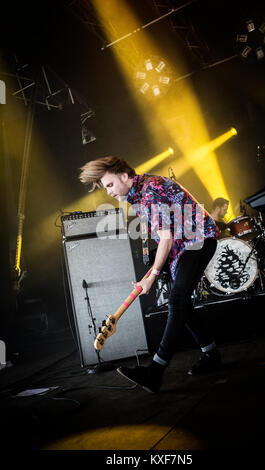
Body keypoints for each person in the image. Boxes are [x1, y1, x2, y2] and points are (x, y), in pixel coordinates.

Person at [79, 156, 222, 393]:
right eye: (106, 189)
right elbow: (165, 235)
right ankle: (211, 354)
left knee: (176, 299)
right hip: (182, 247)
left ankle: (154, 372)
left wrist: (153, 274)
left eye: (110, 185)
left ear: (124, 176)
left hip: (197, 242)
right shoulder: (136, 195)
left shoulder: (150, 190)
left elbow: (166, 237)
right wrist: (156, 266)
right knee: (181, 303)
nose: (109, 193)